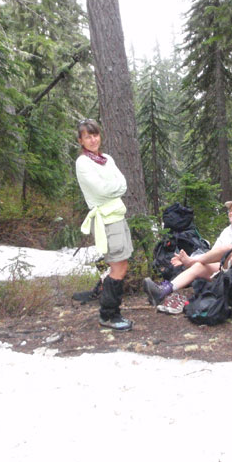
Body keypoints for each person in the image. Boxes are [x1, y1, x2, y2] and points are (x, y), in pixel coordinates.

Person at [75, 119, 134, 332]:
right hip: (107, 220)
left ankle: (112, 312)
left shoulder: (106, 158)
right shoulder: (83, 163)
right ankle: (108, 315)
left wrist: (114, 187)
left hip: (118, 216)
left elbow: (123, 184)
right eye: (87, 136)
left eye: (95, 135)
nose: (93, 140)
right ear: (80, 140)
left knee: (121, 263)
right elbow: (101, 191)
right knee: (118, 266)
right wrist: (115, 187)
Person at [143, 199, 232, 310]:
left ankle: (190, 261)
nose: (231, 213)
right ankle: (163, 291)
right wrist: (192, 260)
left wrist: (191, 260)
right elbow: (212, 254)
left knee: (229, 249)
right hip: (221, 269)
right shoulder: (226, 231)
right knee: (198, 266)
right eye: (230, 211)